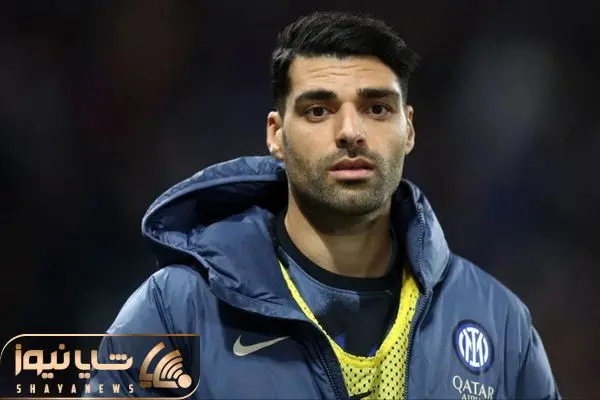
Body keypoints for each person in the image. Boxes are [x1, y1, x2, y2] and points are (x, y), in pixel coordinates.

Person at [88, 11, 560, 400]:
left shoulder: (499, 322)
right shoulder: (177, 311)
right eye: (318, 110)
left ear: (409, 129)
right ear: (276, 134)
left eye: (377, 108)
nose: (350, 131)